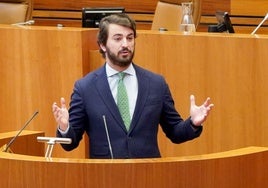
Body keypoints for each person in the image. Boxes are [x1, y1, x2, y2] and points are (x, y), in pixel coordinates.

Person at [52, 13, 213, 159]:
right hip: (104, 177)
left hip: (149, 175)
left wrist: (193, 123)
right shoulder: (85, 88)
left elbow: (175, 132)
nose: (125, 44)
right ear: (102, 44)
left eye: (130, 38)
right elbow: (70, 144)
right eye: (117, 38)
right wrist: (65, 127)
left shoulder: (156, 84)